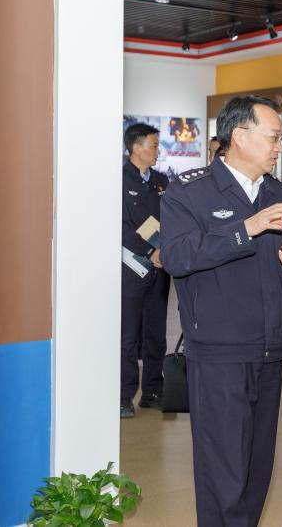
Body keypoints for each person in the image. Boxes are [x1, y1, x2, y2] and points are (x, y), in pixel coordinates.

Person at [161, 95, 282, 526]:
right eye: (273, 137)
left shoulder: (276, 191)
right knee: (223, 470)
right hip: (220, 350)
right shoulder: (189, 191)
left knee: (255, 468)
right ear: (240, 136)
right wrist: (245, 229)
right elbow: (177, 256)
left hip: (270, 347)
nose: (279, 146)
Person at [120, 123, 172, 418]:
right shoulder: (118, 179)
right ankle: (124, 395)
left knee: (156, 333)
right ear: (136, 147)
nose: (157, 151)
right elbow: (121, 224)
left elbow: (170, 219)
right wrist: (152, 250)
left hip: (159, 268)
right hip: (131, 266)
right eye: (153, 145)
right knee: (128, 334)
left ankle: (152, 390)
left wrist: (165, 250)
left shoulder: (162, 182)